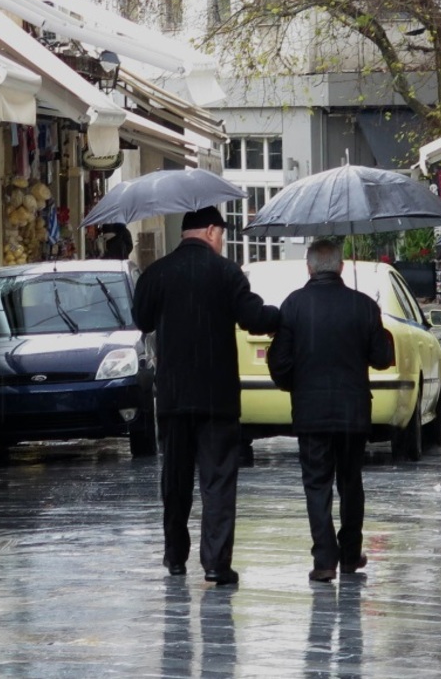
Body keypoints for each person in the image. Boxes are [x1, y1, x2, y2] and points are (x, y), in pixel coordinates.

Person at [131, 206, 280, 585]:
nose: (222, 242)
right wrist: (285, 314)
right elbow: (253, 318)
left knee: (175, 479)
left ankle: (175, 558)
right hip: (217, 397)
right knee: (217, 481)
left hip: (174, 396)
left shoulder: (157, 273)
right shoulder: (226, 272)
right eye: (222, 235)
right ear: (212, 231)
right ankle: (216, 563)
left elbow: (141, 319)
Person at [266, 239, 394, 582]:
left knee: (317, 484)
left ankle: (324, 559)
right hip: (353, 413)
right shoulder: (363, 305)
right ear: (340, 267)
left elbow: (279, 361)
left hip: (310, 412)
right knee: (351, 483)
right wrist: (378, 328)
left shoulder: (293, 306)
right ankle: (351, 554)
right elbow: (382, 359)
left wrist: (294, 385)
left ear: (309, 268)